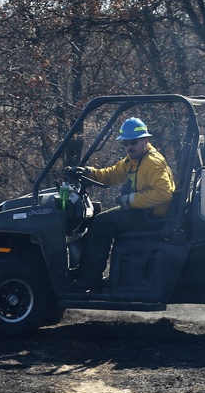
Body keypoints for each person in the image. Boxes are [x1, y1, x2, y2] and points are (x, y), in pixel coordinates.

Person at [66, 117, 175, 291]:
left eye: (133, 142)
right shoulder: (133, 160)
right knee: (96, 217)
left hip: (151, 216)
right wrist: (89, 172)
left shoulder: (152, 163)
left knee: (102, 223)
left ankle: (91, 279)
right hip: (141, 211)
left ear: (145, 141)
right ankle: (84, 272)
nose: (129, 147)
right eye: (125, 143)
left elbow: (164, 192)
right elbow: (112, 174)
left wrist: (130, 200)